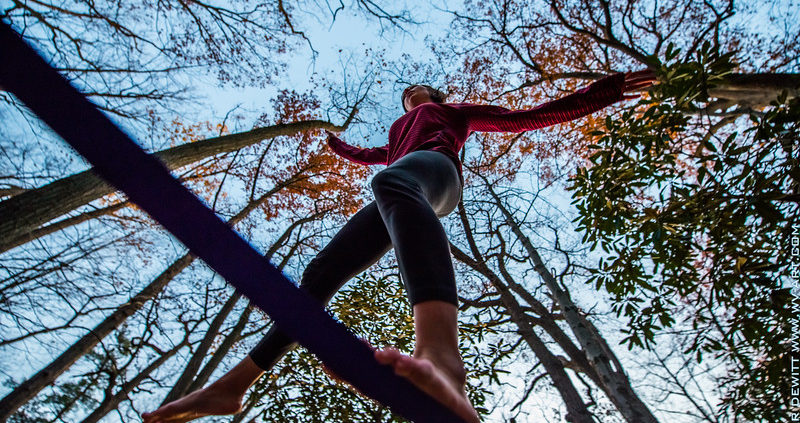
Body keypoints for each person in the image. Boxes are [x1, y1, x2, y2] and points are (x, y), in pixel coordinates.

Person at [142, 70, 656, 423]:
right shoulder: (395, 134)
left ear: (431, 96)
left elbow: (524, 117)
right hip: (401, 180)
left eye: (418, 95)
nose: (412, 100)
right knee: (322, 270)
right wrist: (336, 145)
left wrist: (602, 93)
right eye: (408, 98)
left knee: (391, 182)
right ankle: (237, 382)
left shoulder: (453, 113)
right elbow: (375, 154)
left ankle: (443, 358)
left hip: (436, 175)